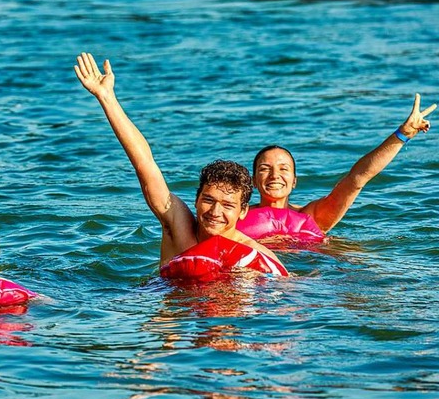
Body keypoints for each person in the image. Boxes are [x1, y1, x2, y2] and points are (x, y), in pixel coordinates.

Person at [74, 52, 281, 267]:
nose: (215, 212)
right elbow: (145, 164)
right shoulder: (178, 225)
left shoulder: (256, 256)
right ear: (197, 199)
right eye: (208, 200)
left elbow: (289, 292)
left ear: (243, 211)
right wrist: (106, 97)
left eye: (228, 205)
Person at [237, 94, 437, 241]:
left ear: (294, 181)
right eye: (265, 168)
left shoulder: (312, 216)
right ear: (253, 181)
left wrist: (402, 135)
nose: (275, 175)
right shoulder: (236, 217)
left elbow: (357, 179)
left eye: (283, 169)